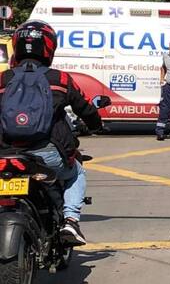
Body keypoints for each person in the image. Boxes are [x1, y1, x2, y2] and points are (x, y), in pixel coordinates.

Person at [0, 21, 103, 245]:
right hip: (48, 154)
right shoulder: (60, 79)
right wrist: (96, 124)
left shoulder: (3, 79)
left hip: (6, 154)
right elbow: (85, 107)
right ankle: (71, 221)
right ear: (49, 48)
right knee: (76, 172)